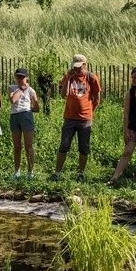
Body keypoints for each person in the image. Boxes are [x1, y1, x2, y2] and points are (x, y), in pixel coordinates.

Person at [52, 54, 101, 182]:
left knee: (84, 147)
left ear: (85, 65)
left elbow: (97, 98)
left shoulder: (91, 78)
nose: (77, 69)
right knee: (64, 145)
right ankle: (57, 173)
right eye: (75, 66)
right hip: (69, 117)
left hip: (85, 119)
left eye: (79, 67)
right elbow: (63, 95)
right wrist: (68, 78)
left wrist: (90, 112)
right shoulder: (68, 77)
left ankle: (81, 173)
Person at [8, 68, 39, 180]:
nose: (20, 79)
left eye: (22, 77)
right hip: (14, 116)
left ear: (26, 78)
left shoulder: (31, 90)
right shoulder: (12, 88)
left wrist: (32, 107)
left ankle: (30, 172)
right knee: (17, 146)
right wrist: (21, 88)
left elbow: (36, 107)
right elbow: (13, 100)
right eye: (18, 77)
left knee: (28, 146)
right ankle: (17, 171)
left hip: (26, 115)